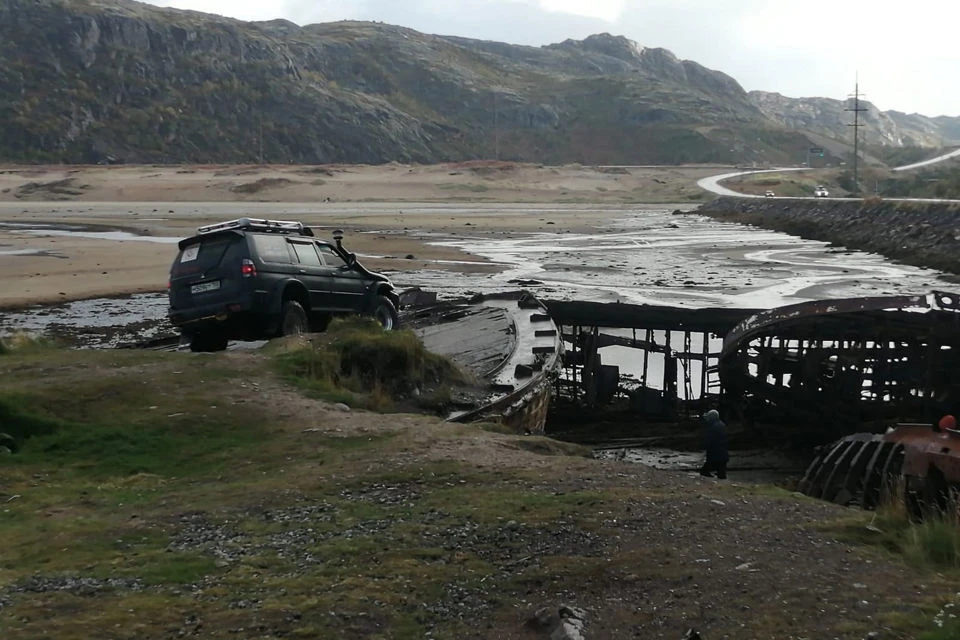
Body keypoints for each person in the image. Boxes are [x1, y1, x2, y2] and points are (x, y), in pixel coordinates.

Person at [699, 409, 729, 479]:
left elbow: (710, 440)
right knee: (721, 473)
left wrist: (704, 446)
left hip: (716, 455)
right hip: (722, 454)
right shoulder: (721, 424)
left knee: (705, 471)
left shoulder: (714, 427)